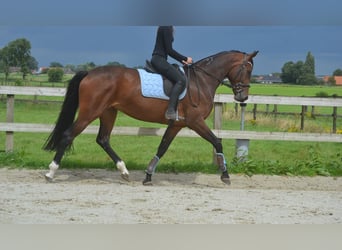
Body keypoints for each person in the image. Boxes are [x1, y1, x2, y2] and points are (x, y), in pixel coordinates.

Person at [151, 26, 193, 120]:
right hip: (159, 60)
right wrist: (185, 58)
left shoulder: (164, 27)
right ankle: (170, 111)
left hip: (160, 59)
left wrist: (182, 61)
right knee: (181, 80)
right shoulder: (167, 27)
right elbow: (169, 50)